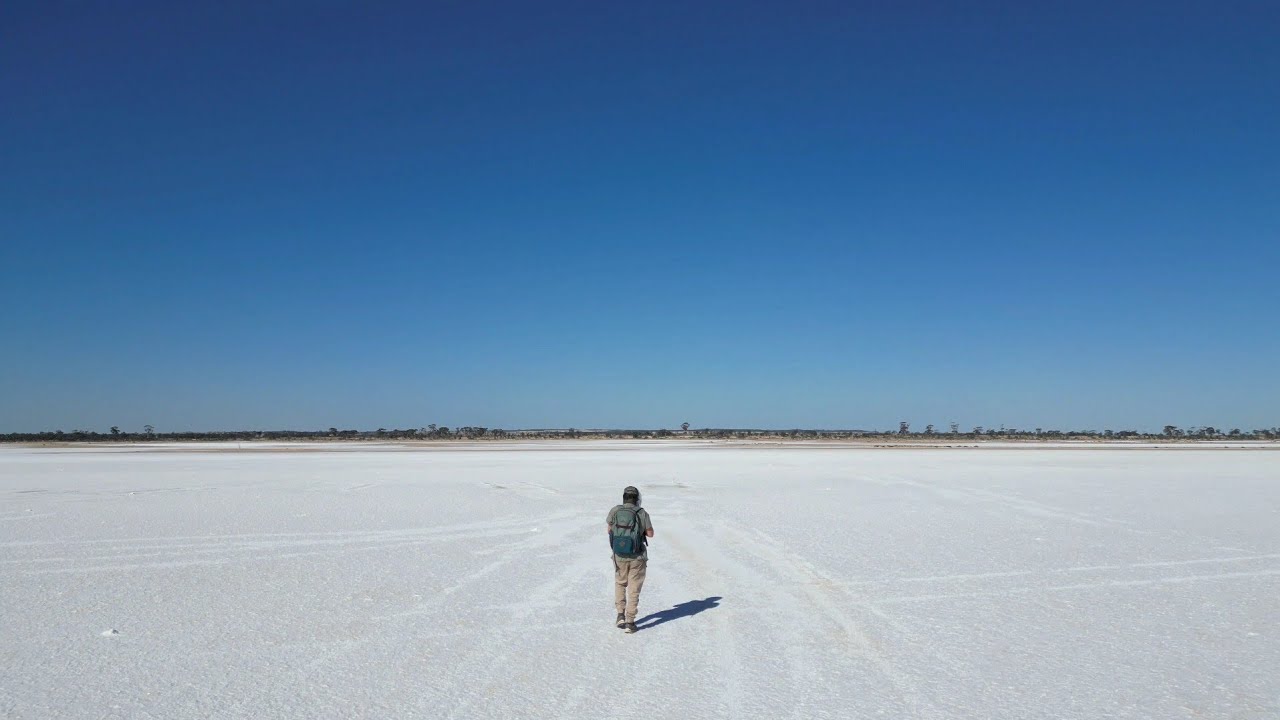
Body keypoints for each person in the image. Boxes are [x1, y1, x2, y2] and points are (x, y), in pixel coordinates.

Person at [606, 486, 654, 633]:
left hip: (619, 555)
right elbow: (650, 534)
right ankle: (630, 622)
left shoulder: (615, 510)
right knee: (634, 589)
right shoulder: (641, 512)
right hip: (637, 557)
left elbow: (609, 529)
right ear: (637, 499)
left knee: (620, 583)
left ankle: (620, 614)